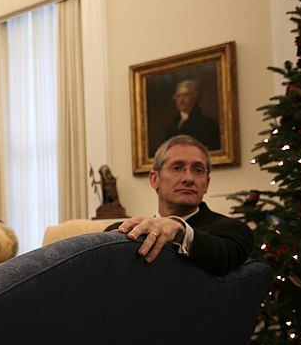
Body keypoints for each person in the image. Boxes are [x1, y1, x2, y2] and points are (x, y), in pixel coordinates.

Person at [107, 135, 252, 276]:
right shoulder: (124, 230)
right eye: (177, 168)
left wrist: (182, 231)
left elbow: (224, 258)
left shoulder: (233, 230)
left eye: (198, 170)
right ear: (154, 179)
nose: (188, 178)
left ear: (206, 184)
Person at [162, 79, 220, 150]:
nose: (181, 100)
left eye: (185, 95)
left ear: (194, 98)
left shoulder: (208, 124)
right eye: (178, 96)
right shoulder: (171, 126)